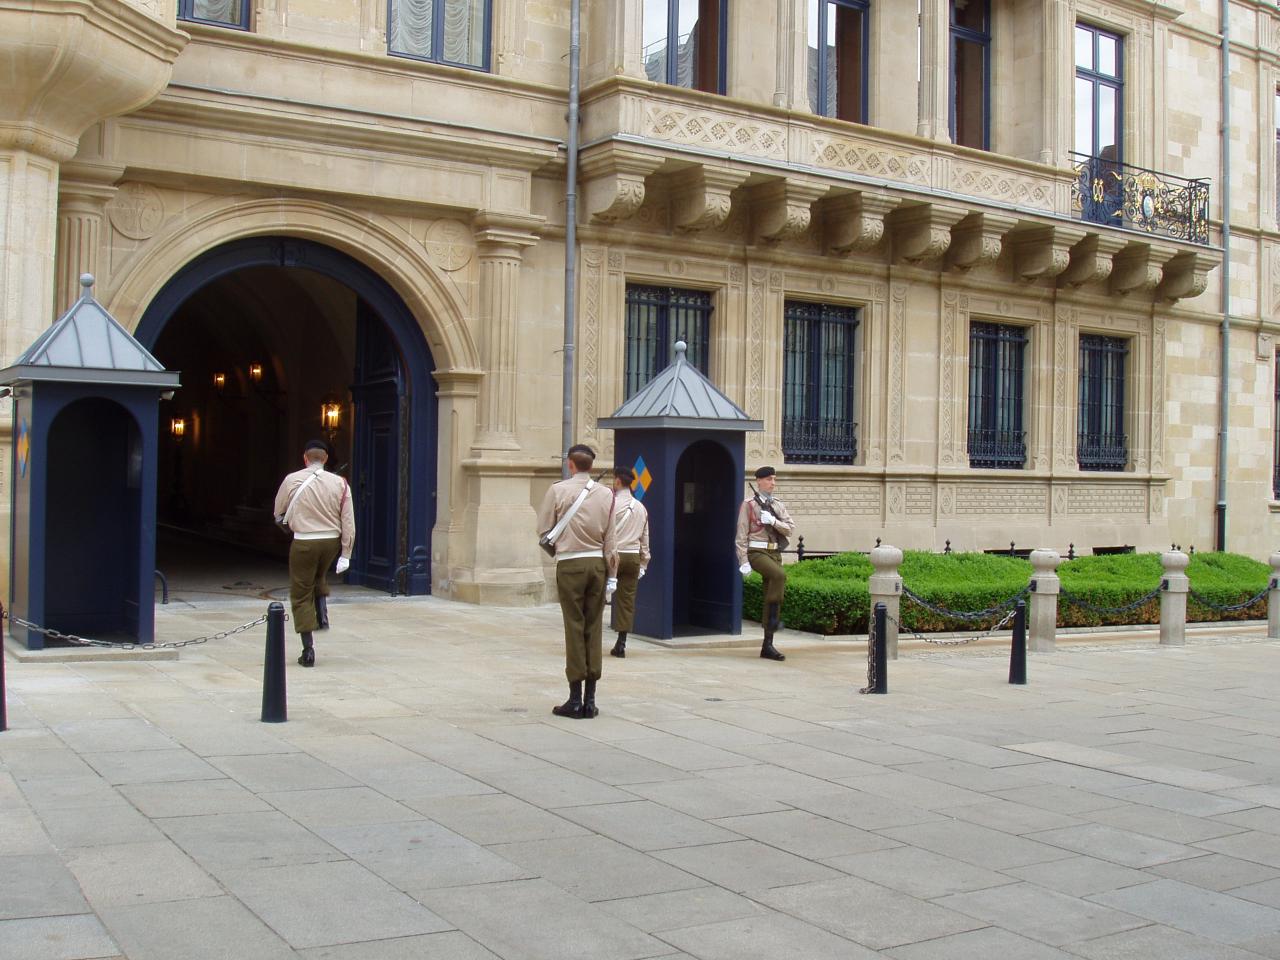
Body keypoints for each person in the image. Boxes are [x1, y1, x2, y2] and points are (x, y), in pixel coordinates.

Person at [535, 443, 618, 718]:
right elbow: (611, 538)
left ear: (571, 464)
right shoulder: (606, 493)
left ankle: (574, 698)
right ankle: (591, 700)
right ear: (590, 466)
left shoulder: (558, 490)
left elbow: (544, 528)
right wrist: (612, 575)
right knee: (593, 627)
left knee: (574, 626)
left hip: (570, 562)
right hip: (597, 563)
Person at [272, 439, 355, 667]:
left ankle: (307, 649)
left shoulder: (292, 480)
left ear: (305, 458)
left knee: (300, 593)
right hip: (331, 542)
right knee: (318, 575)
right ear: (326, 459)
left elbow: (278, 510)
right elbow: (348, 520)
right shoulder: (340, 483)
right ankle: (322, 614)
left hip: (305, 541)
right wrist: (346, 553)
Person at [736, 466, 795, 661]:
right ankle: (773, 619)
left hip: (774, 551)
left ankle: (767, 645)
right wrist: (743, 560)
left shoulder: (777, 505)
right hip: (756, 550)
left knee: (772, 589)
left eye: (774, 479)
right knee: (779, 576)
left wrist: (773, 521)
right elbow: (741, 534)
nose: (773, 483)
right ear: (759, 481)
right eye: (769, 479)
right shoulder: (749, 504)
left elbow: (790, 529)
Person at [608, 466, 650, 659]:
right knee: (627, 600)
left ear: (617, 481)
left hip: (612, 556)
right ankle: (621, 643)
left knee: (597, 594)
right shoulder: (640, 507)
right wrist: (644, 563)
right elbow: (645, 538)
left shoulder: (610, 504)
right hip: (633, 556)